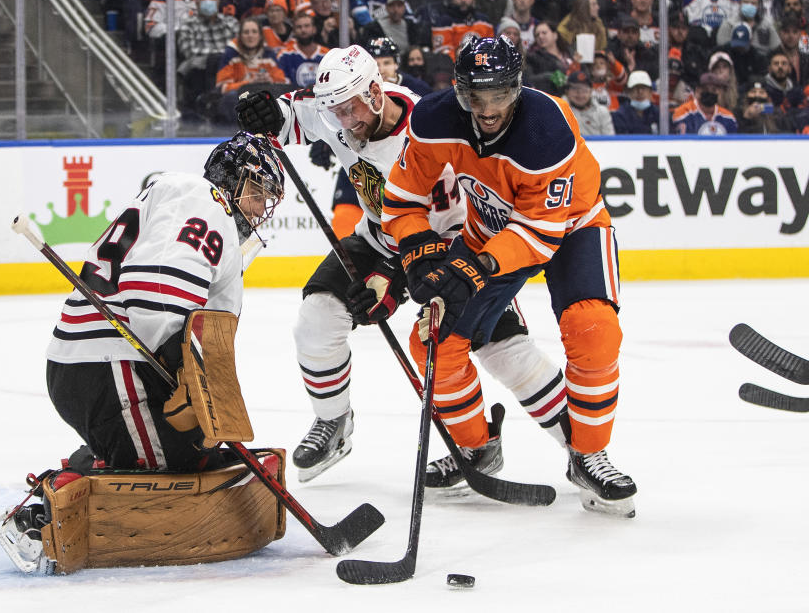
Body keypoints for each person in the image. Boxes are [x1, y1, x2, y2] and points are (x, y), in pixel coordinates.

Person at [236, 44, 570, 487]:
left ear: (376, 92)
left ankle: (580, 449)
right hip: (379, 237)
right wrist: (265, 112)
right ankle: (333, 422)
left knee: (501, 348)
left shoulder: (429, 124)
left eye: (352, 108)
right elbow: (296, 115)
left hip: (453, 244)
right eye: (337, 111)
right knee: (318, 317)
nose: (346, 121)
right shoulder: (338, 110)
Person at [0, 131, 287, 574]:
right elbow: (156, 291)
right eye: (258, 191)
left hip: (102, 367)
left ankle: (101, 459)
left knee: (194, 446)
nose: (261, 208)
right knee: (182, 464)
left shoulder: (188, 202)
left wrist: (201, 388)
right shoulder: (207, 201)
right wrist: (177, 359)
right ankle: (37, 519)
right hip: (109, 366)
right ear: (232, 177)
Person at [381, 36, 637, 517]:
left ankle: (587, 454)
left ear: (516, 89)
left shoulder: (547, 130)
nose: (487, 108)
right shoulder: (435, 121)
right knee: (432, 341)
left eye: (498, 94)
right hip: (487, 232)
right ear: (458, 91)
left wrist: (470, 268)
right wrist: (418, 253)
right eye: (475, 96)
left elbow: (540, 234)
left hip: (574, 226)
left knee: (594, 330)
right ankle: (477, 448)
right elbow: (400, 200)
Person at [174, 0, 239, 114]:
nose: (208, 1)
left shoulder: (231, 23)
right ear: (197, 3)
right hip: (199, 74)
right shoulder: (187, 24)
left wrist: (218, 58)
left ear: (218, 2)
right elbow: (189, 51)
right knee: (208, 64)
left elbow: (239, 50)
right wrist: (222, 55)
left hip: (228, 70)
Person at [215, 18, 288, 94]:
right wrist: (249, 82)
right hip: (239, 99)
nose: (250, 35)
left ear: (260, 36)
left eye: (254, 32)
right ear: (240, 36)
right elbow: (222, 88)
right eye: (246, 32)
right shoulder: (230, 53)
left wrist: (271, 81)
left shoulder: (269, 54)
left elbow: (282, 83)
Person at [673, 72, 739, 134]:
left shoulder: (729, 118)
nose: (710, 92)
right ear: (697, 91)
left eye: (714, 90)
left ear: (719, 92)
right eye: (705, 89)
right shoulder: (683, 113)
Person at [359, 0, 428, 52]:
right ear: (386, 7)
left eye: (399, 5)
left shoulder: (411, 27)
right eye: (392, 5)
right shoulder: (373, 28)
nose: (396, 10)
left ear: (404, 7)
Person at [526, 20, 578, 95]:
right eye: (537, 35)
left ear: (555, 35)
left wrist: (579, 64)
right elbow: (529, 80)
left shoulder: (570, 52)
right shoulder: (533, 58)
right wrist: (549, 76)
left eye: (544, 33)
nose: (540, 36)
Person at [276, 12, 329, 87]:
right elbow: (281, 85)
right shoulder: (284, 55)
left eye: (307, 26)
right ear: (294, 31)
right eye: (299, 27)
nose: (303, 30)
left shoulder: (327, 54)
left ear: (314, 29)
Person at [366, 36, 431, 95]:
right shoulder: (363, 91)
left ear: (396, 64)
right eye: (376, 65)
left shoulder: (419, 89)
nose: (381, 70)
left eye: (387, 63)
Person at [565, 69, 614, 134]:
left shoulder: (602, 112)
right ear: (567, 91)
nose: (580, 94)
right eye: (575, 89)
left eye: (584, 90)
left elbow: (610, 140)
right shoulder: (561, 112)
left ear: (591, 91)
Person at [611, 69, 659, 133]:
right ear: (629, 92)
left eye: (643, 88)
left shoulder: (658, 114)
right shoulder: (620, 115)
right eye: (636, 88)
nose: (640, 92)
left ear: (650, 92)